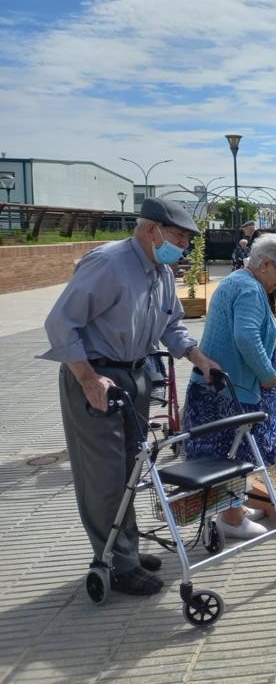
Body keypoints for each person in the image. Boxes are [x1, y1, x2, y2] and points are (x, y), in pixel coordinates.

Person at [41, 198, 220, 596]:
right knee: (104, 477)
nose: (184, 246)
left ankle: (127, 550)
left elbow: (172, 326)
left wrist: (199, 358)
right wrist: (88, 378)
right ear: (152, 229)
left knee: (129, 473)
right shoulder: (108, 264)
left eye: (188, 240)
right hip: (96, 376)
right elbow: (60, 324)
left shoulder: (161, 272)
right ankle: (116, 564)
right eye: (179, 237)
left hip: (136, 375)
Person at [183, 233, 276, 539]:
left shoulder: (237, 280)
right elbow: (246, 337)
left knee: (224, 452)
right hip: (230, 391)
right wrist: (267, 375)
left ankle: (231, 507)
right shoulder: (249, 288)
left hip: (216, 387)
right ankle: (232, 519)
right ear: (266, 264)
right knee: (234, 452)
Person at [241, 220, 276, 318]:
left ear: (249, 228)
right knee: (271, 290)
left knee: (275, 290)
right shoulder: (258, 235)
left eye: (244, 229)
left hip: (272, 267)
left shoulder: (257, 236)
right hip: (271, 266)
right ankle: (274, 312)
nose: (244, 232)